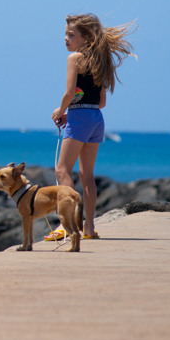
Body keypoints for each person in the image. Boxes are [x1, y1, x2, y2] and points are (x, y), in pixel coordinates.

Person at [48, 13, 135, 241]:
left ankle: (67, 226)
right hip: (96, 118)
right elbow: (102, 102)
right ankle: (89, 228)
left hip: (80, 118)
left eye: (70, 35)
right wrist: (78, 111)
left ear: (86, 38)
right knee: (87, 175)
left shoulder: (74, 59)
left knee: (61, 171)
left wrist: (61, 111)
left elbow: (69, 93)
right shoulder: (101, 61)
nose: (65, 39)